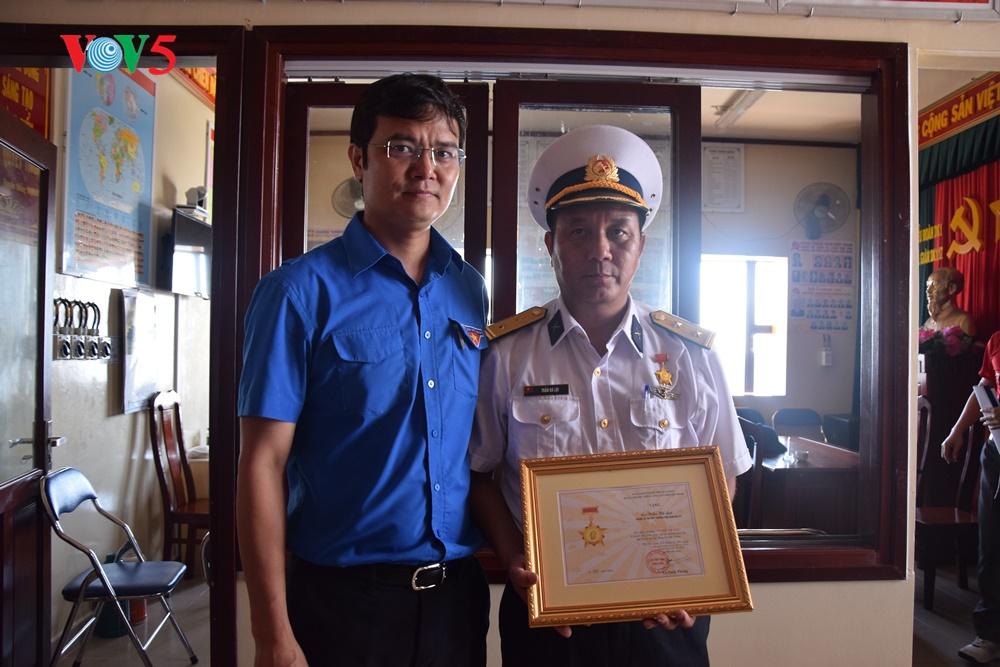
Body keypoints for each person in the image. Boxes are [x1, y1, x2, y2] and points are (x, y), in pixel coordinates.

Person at [469, 125, 752, 667]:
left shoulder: (690, 355)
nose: (600, 251)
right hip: (548, 614)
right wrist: (513, 558)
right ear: (551, 246)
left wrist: (695, 567)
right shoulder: (507, 355)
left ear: (640, 246)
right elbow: (480, 475)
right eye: (578, 232)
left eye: (618, 232)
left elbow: (723, 474)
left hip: (664, 613)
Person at [236, 73, 490, 667]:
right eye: (402, 146)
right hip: (344, 605)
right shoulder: (297, 293)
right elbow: (262, 463)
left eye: (444, 151)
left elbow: (480, 447)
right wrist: (271, 633)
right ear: (358, 159)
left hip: (456, 600)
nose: (426, 168)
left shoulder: (469, 290)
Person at [942, 330, 1000, 664]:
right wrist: (957, 429)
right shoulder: (996, 341)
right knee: (990, 544)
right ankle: (989, 635)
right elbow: (985, 388)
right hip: (996, 453)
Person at [924, 266, 976, 335]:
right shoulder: (928, 323)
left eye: (935, 284)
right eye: (928, 286)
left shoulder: (963, 320)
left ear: (951, 288)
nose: (928, 290)